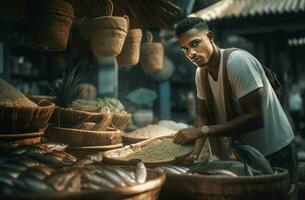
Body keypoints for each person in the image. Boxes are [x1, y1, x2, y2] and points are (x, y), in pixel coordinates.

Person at [173, 17, 297, 189]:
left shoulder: (237, 62)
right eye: (185, 49)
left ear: (210, 37)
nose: (190, 53)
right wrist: (194, 154)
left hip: (274, 150)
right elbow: (204, 115)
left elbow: (255, 117)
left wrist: (202, 131)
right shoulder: (200, 74)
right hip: (245, 155)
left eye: (195, 44)